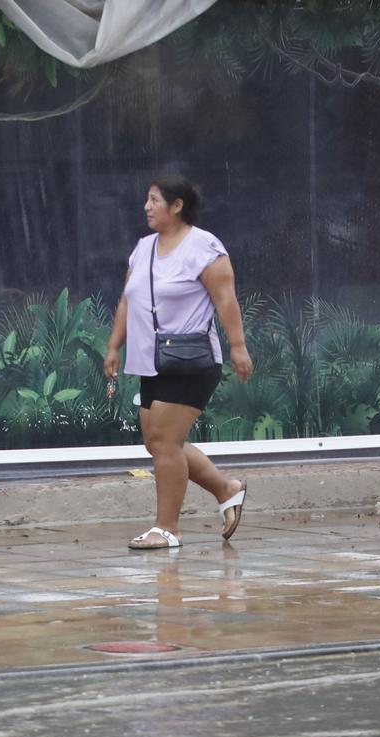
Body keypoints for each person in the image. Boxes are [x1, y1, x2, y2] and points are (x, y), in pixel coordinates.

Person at [103, 175, 254, 550]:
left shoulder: (204, 247)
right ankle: (226, 489)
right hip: (151, 360)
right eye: (146, 200)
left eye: (154, 200)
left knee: (166, 442)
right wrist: (113, 347)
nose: (147, 207)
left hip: (190, 359)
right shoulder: (143, 249)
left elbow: (225, 299)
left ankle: (167, 528)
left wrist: (238, 347)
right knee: (158, 442)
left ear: (177, 205)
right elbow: (127, 300)